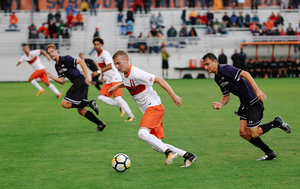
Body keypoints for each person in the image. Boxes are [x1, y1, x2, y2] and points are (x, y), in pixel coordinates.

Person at [109, 50, 196, 167]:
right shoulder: (124, 73)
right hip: (150, 109)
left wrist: (174, 96)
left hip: (154, 107)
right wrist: (117, 86)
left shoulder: (137, 72)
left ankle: (169, 153)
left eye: (119, 63)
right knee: (156, 145)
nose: (117, 66)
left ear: (126, 60)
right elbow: (128, 82)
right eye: (115, 64)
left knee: (142, 134)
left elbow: (160, 80)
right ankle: (188, 155)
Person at [202, 53, 291, 161]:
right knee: (243, 133)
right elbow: (226, 95)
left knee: (253, 133)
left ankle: (276, 123)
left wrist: (257, 90)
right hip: (244, 103)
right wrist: (221, 103)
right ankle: (269, 152)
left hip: (253, 101)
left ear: (215, 62)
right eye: (204, 65)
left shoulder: (225, 69)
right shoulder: (217, 78)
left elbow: (245, 74)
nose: (206, 67)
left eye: (207, 64)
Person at [45, 44, 106, 131]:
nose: (51, 54)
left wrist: (87, 77)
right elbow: (62, 81)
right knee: (81, 110)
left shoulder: (65, 58)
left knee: (64, 103)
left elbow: (81, 61)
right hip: (80, 83)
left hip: (80, 81)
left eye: (52, 51)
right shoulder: (57, 66)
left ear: (56, 51)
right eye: (49, 53)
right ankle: (100, 124)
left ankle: (90, 103)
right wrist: (51, 76)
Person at [92, 37, 135, 122]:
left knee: (118, 98)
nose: (96, 46)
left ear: (101, 45)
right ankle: (120, 106)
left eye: (98, 44)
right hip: (108, 80)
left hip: (115, 78)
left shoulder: (105, 54)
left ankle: (131, 116)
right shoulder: (96, 56)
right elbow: (103, 67)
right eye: (95, 44)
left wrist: (98, 72)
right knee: (101, 97)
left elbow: (110, 66)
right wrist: (102, 76)